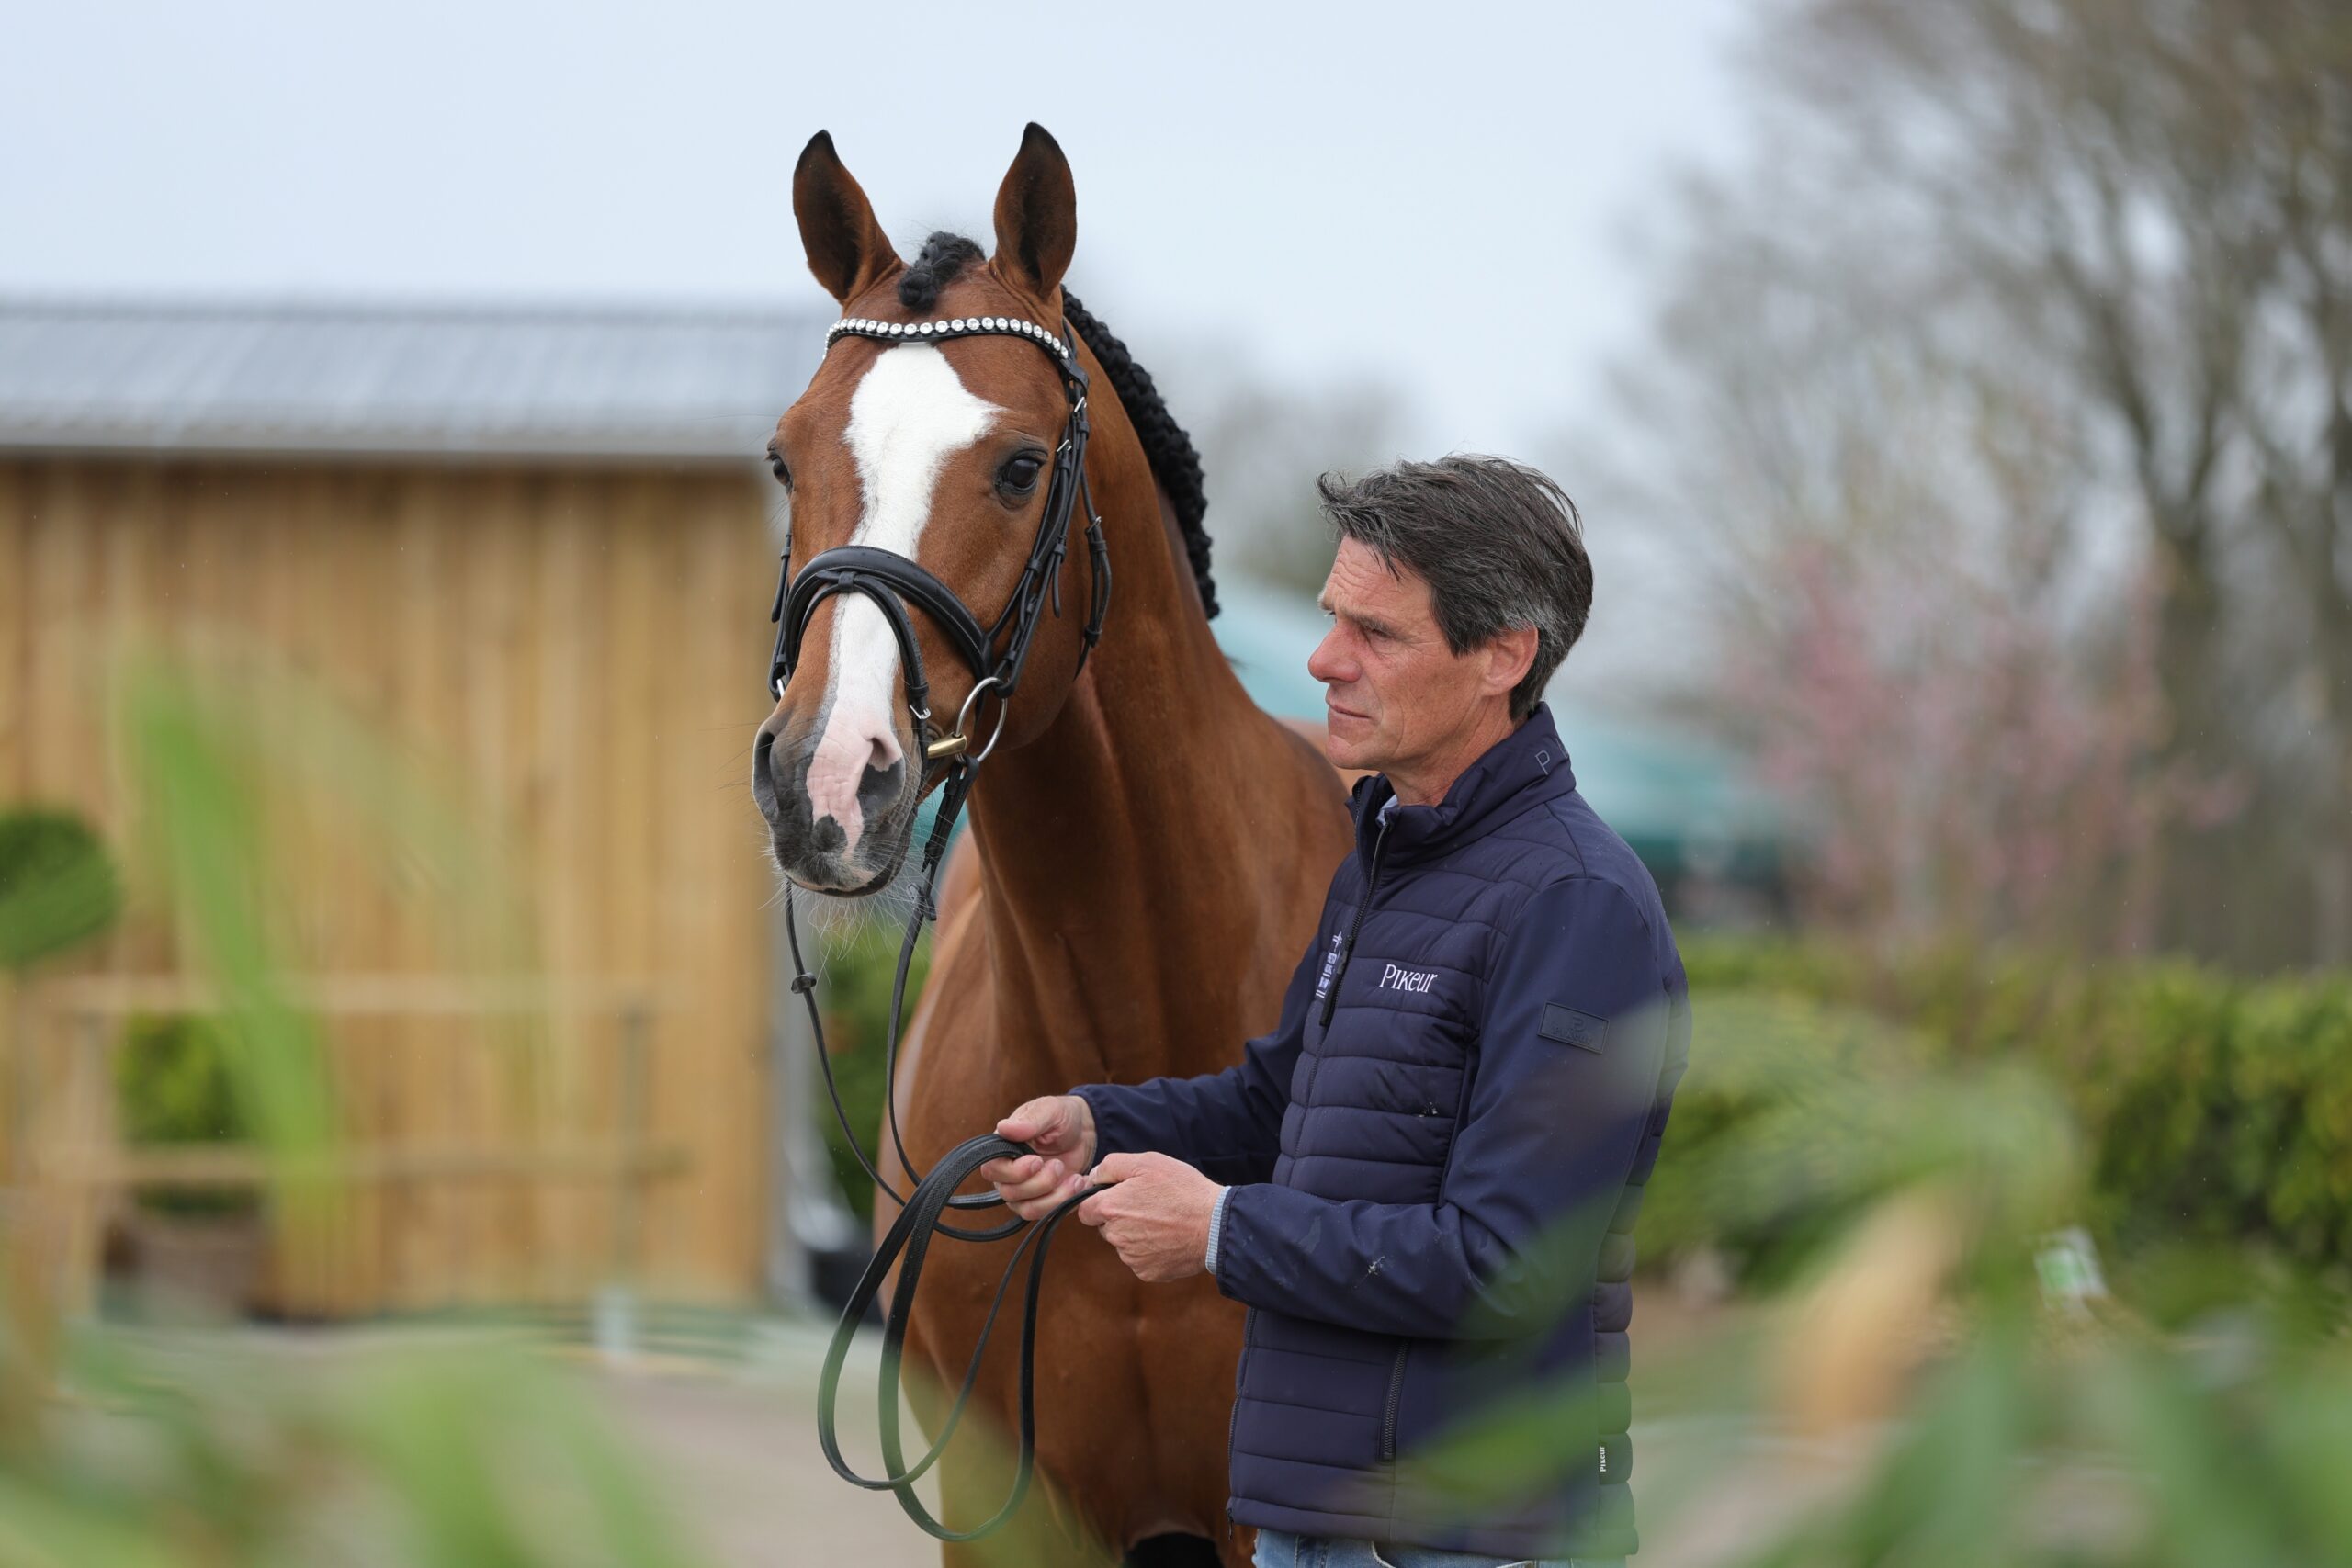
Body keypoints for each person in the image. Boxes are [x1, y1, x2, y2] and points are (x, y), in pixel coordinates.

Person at [981, 455, 1691, 1568]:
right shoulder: (1385, 857)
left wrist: (1217, 1232)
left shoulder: (1576, 907)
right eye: (1330, 620)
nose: (1323, 660)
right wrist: (1100, 1126)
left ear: (1502, 657)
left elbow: (1502, 1263)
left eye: (1377, 633)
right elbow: (1284, 1106)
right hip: (1313, 1526)